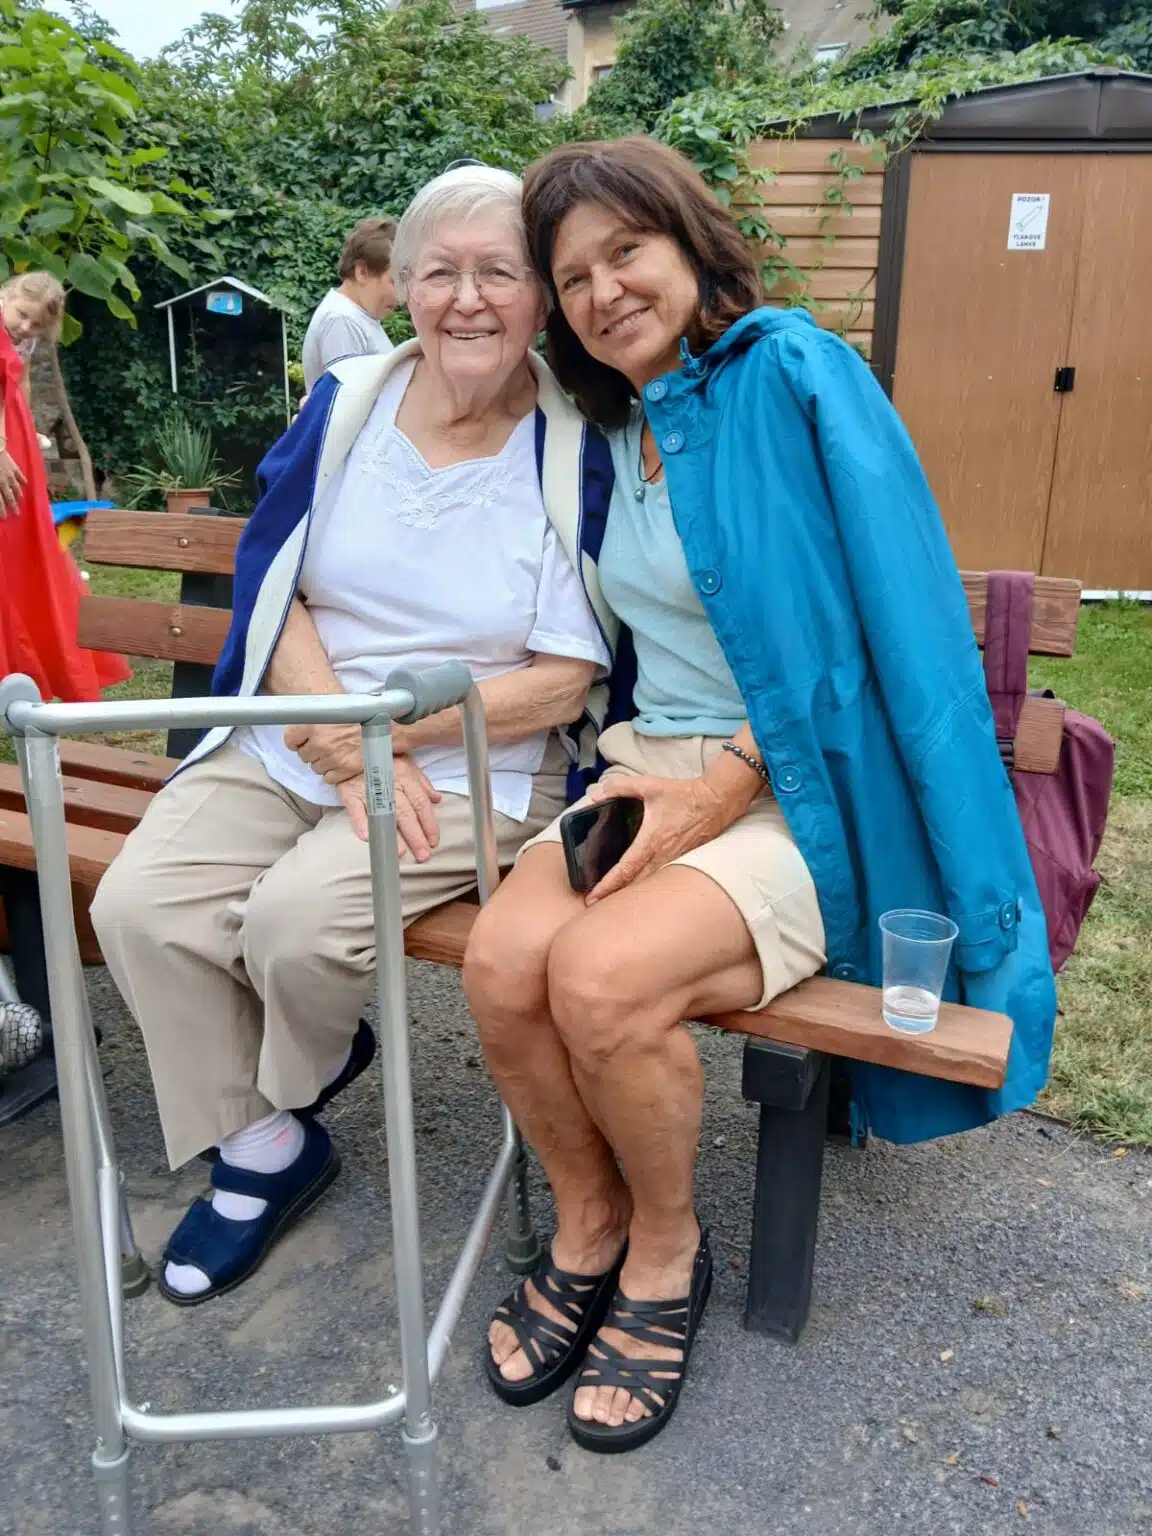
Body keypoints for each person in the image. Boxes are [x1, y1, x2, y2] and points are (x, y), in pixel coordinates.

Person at [462, 137, 1057, 1453]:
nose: (604, 290)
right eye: (574, 276)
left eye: (627, 250)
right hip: (653, 770)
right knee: (504, 968)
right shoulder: (619, 433)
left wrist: (722, 788)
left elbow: (874, 617)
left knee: (601, 984)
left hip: (801, 790)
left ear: (690, 242)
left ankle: (666, 1254)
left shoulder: (789, 368)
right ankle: (589, 1222)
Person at [90, 165, 615, 1307]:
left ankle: (302, 1067)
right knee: (138, 907)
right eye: (440, 273)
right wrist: (337, 740)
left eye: (499, 273)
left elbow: (565, 681)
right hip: (302, 725)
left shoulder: (578, 443)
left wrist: (391, 742)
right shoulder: (347, 403)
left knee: (296, 930)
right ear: (402, 285)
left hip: (473, 759)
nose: (467, 300)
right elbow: (276, 585)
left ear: (541, 296)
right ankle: (268, 1143)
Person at [0, 272, 130, 701]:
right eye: (22, 315)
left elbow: (19, 381)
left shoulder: (22, 339)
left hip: (13, 440)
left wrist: (25, 433)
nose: (25, 327)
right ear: (7, 295)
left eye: (36, 325)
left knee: (27, 545)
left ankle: (30, 661)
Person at [301, 215, 397, 393]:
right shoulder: (342, 321)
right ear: (362, 272)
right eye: (394, 281)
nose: (400, 295)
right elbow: (346, 400)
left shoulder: (357, 317)